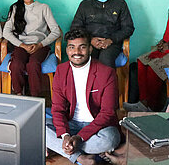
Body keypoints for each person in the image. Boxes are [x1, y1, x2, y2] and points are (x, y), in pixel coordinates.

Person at [46, 29, 120, 165]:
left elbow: (107, 112)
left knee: (110, 139)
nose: (77, 52)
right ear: (67, 49)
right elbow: (57, 109)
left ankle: (64, 148)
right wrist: (65, 135)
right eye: (71, 47)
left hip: (97, 127)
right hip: (71, 123)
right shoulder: (61, 71)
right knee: (39, 128)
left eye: (82, 47)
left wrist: (80, 137)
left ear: (90, 49)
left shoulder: (106, 73)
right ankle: (81, 157)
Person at [3, 0, 61, 96]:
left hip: (40, 45)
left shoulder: (44, 8)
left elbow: (56, 31)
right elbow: (6, 32)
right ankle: (19, 94)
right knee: (16, 64)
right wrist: (22, 45)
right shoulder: (15, 8)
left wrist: (40, 44)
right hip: (22, 45)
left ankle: (36, 98)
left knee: (33, 64)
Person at [70, 0, 134, 68]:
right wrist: (90, 39)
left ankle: (107, 83)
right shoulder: (85, 4)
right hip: (90, 41)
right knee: (86, 57)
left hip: (112, 43)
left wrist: (110, 40)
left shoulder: (120, 3)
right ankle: (88, 83)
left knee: (106, 59)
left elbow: (128, 28)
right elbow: (75, 27)